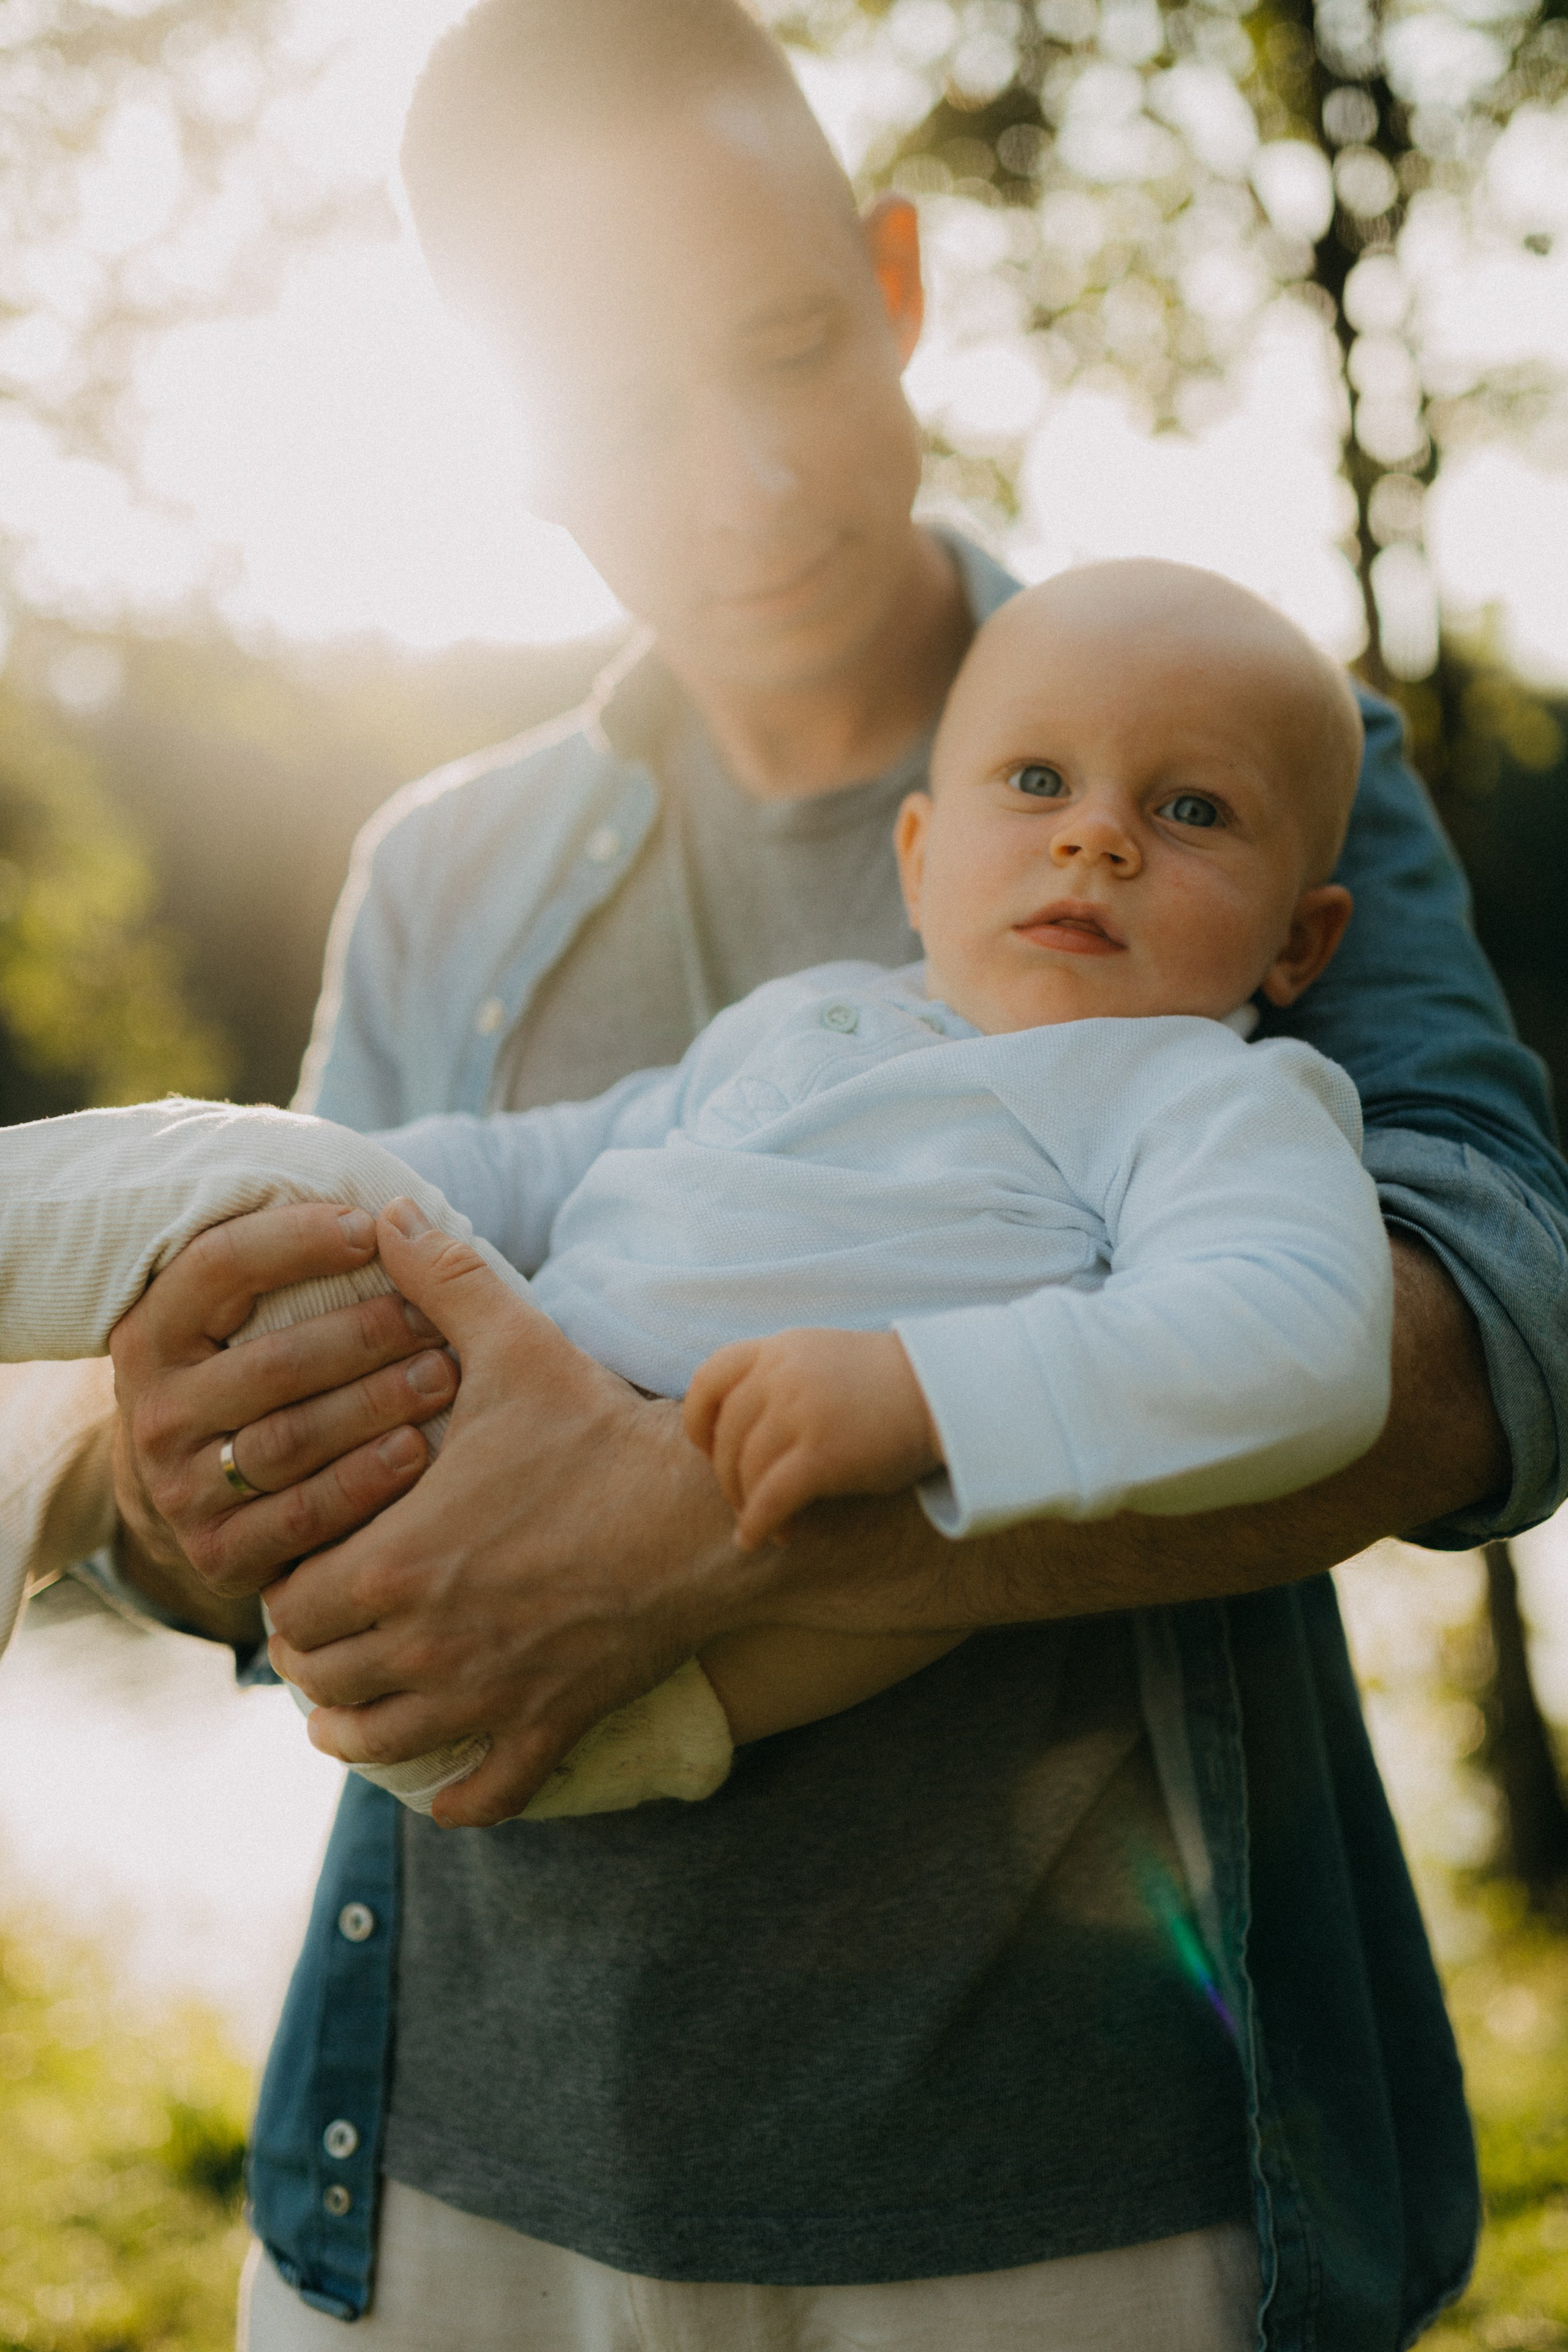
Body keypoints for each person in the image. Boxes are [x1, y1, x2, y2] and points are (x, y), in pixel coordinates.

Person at [27, 1, 1566, 2344]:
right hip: (456, 2190)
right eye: (631, 409)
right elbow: (229, 1516)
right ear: (514, 441)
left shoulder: (1231, 757)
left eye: (782, 349)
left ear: (898, 285)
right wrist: (175, 1502)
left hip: (1080, 2198)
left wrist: (706, 1526)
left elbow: (1499, 1327)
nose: (740, 477)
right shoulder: (448, 867)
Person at [3, 564, 1390, 1825]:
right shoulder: (820, 1020)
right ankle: (56, 1468)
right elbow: (559, 1157)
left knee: (255, 1176)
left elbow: (1301, 1337)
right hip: (440, 1521)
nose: (1095, 839)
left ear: (1298, 939)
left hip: (632, 1665)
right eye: (1034, 783)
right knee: (290, 1188)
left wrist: (920, 1394)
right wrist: (374, 1199)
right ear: (915, 860)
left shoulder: (1197, 1095)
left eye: (1189, 809)